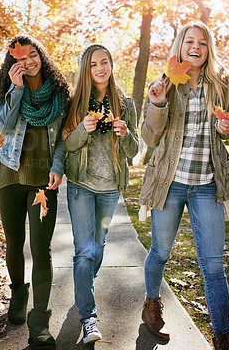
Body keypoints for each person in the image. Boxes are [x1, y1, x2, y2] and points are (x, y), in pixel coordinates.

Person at [139, 21, 229, 349]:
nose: (195, 47)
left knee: (213, 264)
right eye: (189, 41)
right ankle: (151, 304)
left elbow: (227, 128)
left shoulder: (222, 84)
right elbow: (149, 137)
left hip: (208, 184)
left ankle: (222, 336)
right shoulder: (164, 84)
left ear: (209, 49)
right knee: (161, 251)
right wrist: (158, 104)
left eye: (202, 43)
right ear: (179, 46)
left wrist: (227, 128)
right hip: (170, 183)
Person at [0, 34, 69, 350]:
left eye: (32, 54)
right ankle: (18, 293)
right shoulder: (11, 90)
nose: (28, 62)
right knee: (14, 242)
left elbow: (62, 138)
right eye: (19, 58)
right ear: (12, 63)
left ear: (41, 56)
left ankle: (39, 324)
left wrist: (58, 167)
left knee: (40, 249)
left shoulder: (61, 95)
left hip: (42, 182)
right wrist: (17, 89)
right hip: (10, 175)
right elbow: (3, 127)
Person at [62, 44, 139, 344]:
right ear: (87, 69)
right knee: (84, 252)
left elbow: (134, 152)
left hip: (110, 189)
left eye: (104, 62)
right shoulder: (76, 102)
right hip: (81, 185)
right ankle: (88, 318)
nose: (99, 68)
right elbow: (68, 145)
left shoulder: (125, 103)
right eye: (93, 64)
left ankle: (85, 287)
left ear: (111, 64)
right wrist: (82, 128)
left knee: (99, 246)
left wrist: (126, 134)